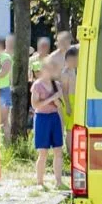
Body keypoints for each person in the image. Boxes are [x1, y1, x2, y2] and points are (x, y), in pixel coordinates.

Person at [31, 60, 66, 189]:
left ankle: (59, 182)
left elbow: (59, 105)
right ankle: (40, 183)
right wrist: (51, 98)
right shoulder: (37, 85)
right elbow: (35, 105)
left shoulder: (57, 85)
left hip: (54, 118)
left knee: (58, 151)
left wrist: (56, 101)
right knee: (43, 152)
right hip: (41, 119)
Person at [61, 47, 79, 148]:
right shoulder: (65, 72)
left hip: (78, 99)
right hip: (70, 99)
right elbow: (64, 90)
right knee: (69, 129)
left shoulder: (79, 70)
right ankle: (70, 153)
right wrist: (67, 105)